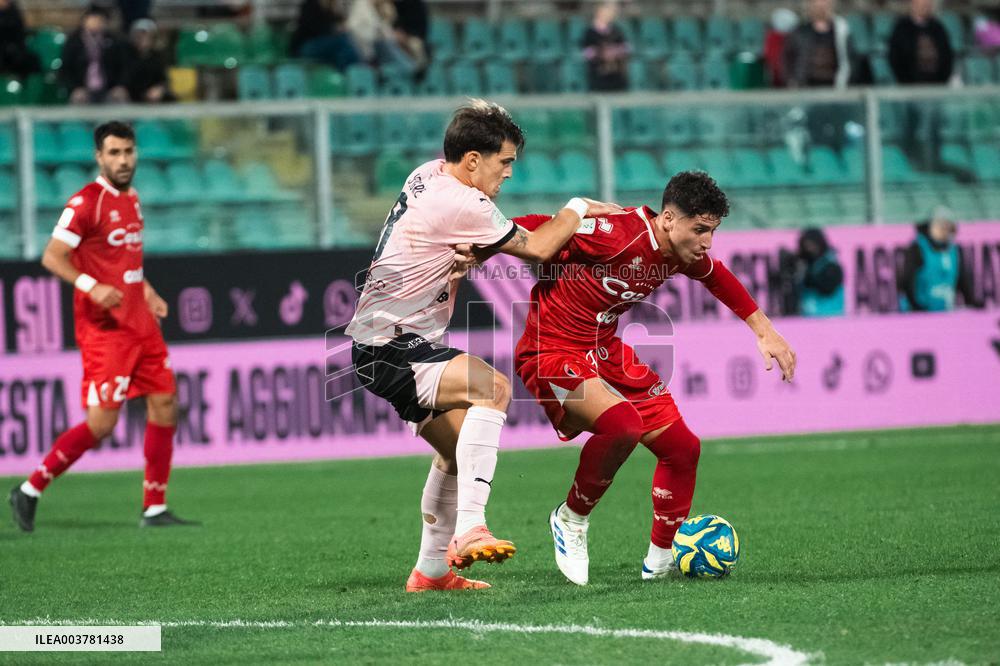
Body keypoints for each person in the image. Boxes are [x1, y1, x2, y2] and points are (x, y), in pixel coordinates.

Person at [344, 100, 622, 592]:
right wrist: (577, 208)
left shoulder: (428, 174)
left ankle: (431, 573)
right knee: (492, 388)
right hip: (392, 345)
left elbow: (445, 240)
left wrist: (466, 256)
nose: (509, 173)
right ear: (473, 159)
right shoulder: (464, 203)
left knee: (458, 452)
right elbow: (540, 248)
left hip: (382, 341)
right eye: (505, 161)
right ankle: (471, 527)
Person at [509, 171, 796, 585]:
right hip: (550, 350)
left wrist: (764, 330)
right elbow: (541, 226)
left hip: (605, 351)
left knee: (683, 449)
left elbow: (717, 276)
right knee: (622, 425)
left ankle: (659, 562)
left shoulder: (681, 252)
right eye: (700, 229)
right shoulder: (617, 233)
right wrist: (477, 245)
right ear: (668, 218)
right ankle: (571, 518)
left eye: (713, 231)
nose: (707, 242)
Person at [8, 121, 195, 532]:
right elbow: (52, 256)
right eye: (114, 153)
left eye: (128, 151)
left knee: (165, 402)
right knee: (102, 424)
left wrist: (147, 291)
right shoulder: (86, 203)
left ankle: (154, 507)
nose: (123, 160)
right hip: (105, 330)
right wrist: (91, 287)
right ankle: (30, 488)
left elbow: (125, 261)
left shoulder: (132, 199)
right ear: (99, 157)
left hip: (140, 323)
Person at [888, 0, 954, 172]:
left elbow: (947, 56)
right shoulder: (902, 28)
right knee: (915, 127)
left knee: (934, 127)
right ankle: (914, 162)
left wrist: (942, 82)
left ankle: (935, 162)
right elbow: (895, 59)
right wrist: (908, 83)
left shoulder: (938, 28)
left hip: (936, 89)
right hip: (911, 90)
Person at [782, 0, 856, 152]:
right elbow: (787, 58)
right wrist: (792, 80)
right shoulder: (800, 32)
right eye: (817, 6)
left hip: (835, 91)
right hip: (808, 90)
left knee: (837, 130)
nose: (821, 10)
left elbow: (850, 60)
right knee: (812, 130)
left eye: (825, 6)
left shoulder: (840, 31)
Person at [898, 207, 983, 312]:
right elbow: (907, 280)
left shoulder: (953, 251)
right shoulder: (917, 249)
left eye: (948, 227)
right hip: (918, 312)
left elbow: (962, 279)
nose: (944, 231)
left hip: (944, 312)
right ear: (930, 227)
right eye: (940, 226)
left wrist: (972, 302)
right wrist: (916, 306)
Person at [59, 5, 130, 105]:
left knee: (120, 97)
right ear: (84, 21)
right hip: (83, 90)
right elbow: (65, 70)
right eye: (92, 19)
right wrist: (74, 88)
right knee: (78, 99)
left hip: (109, 89)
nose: (95, 23)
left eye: (99, 20)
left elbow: (124, 66)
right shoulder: (73, 42)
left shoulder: (115, 41)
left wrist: (120, 85)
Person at [290, 0, 361, 71]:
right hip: (305, 46)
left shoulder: (329, 8)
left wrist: (336, 9)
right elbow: (313, 27)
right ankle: (354, 70)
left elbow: (340, 23)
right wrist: (333, 29)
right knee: (342, 41)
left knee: (343, 46)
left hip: (325, 46)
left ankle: (350, 71)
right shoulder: (309, 5)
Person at [581, 2, 630, 92]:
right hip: (598, 70)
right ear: (598, 13)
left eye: (609, 13)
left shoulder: (617, 30)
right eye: (604, 12)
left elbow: (626, 47)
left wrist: (615, 51)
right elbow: (586, 52)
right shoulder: (589, 31)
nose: (607, 15)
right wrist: (601, 53)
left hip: (616, 70)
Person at [795, 227, 844, 316]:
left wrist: (808, 275)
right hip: (808, 315)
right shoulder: (806, 264)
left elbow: (827, 288)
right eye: (806, 247)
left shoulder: (831, 265)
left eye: (812, 246)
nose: (810, 250)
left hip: (831, 314)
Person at [123, 19, 174, 103]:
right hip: (131, 98)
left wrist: (159, 89)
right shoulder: (126, 56)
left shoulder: (158, 57)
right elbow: (123, 80)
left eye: (146, 36)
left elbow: (164, 80)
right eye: (139, 36)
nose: (143, 40)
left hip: (153, 98)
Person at [0, 0, 41, 78]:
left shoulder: (13, 11)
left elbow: (19, 31)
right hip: (5, 50)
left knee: (31, 60)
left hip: (14, 49)